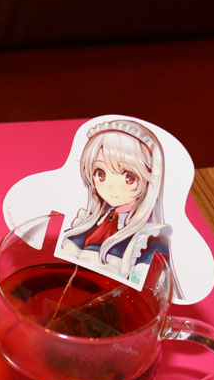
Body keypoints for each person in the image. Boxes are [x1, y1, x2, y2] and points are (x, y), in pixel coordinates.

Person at [60, 119, 184, 297]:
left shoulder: (148, 239)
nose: (111, 188)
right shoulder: (86, 223)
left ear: (150, 179)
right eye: (100, 174)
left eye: (129, 177)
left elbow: (147, 293)